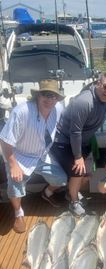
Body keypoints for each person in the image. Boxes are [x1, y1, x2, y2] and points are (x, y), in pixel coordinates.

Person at [0, 79, 67, 233]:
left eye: (54, 96)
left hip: (41, 155)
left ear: (57, 99)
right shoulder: (21, 111)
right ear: (38, 96)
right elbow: (4, 140)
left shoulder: (58, 108)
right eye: (46, 94)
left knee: (61, 179)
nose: (50, 99)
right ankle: (18, 213)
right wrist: (13, 165)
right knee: (15, 186)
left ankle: (47, 194)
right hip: (19, 156)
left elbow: (68, 124)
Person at [51, 72, 106, 216]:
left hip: (83, 142)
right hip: (63, 141)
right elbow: (75, 132)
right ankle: (73, 202)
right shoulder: (84, 102)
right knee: (78, 170)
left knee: (86, 174)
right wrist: (77, 157)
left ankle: (71, 193)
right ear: (98, 84)